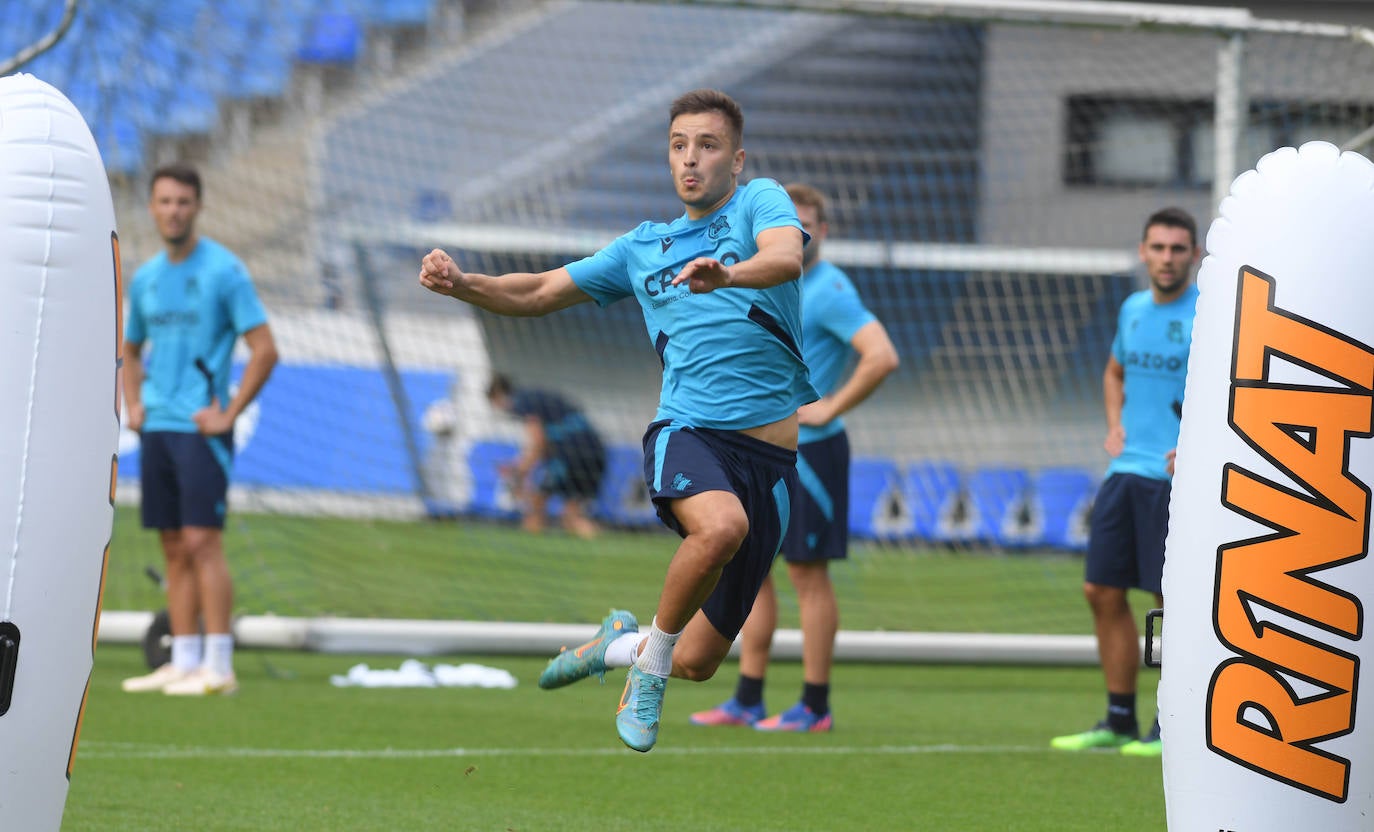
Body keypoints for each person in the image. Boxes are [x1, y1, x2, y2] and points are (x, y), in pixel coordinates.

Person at [419, 89, 814, 752]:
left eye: (708, 145)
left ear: (737, 158)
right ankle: (648, 669)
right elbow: (542, 290)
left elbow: (785, 257)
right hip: (690, 434)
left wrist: (730, 275)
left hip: (771, 464)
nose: (690, 159)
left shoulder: (758, 202)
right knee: (720, 528)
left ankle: (621, 645)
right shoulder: (644, 248)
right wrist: (465, 284)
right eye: (678, 145)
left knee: (699, 660)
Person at [689, 183, 898, 733]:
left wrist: (828, 409)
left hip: (813, 456)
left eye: (806, 227)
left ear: (822, 233)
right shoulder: (767, 277)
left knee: (808, 575)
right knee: (752, 570)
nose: (796, 236)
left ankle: (814, 704)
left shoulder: (829, 288)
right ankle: (748, 698)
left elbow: (881, 356)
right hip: (762, 448)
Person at [120, 162, 279, 697]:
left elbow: (265, 349)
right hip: (157, 429)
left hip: (201, 430)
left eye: (183, 202)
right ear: (152, 207)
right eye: (164, 201)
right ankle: (182, 659)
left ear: (198, 207)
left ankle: (220, 665)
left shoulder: (224, 272)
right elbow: (131, 347)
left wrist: (230, 413)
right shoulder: (145, 278)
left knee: (202, 541)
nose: (173, 211)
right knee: (171, 544)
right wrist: (133, 403)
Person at [1050, 207, 1200, 757]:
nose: (1166, 258)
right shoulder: (1133, 308)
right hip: (1124, 473)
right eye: (1157, 248)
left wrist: (1196, 446)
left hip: (1174, 482)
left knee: (1170, 602)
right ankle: (1117, 719)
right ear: (1142, 252)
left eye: (1177, 249)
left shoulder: (1209, 314)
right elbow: (1115, 371)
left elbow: (1234, 390)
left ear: (1195, 256)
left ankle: (1171, 724)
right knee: (1100, 590)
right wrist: (1114, 423)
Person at [486, 373, 607, 539]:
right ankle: (603, 543)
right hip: (594, 452)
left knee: (536, 502)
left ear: (498, 395)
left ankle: (529, 547)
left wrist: (520, 471)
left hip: (572, 454)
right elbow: (544, 447)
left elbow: (538, 442)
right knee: (571, 518)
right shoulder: (536, 397)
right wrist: (521, 465)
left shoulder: (523, 402)